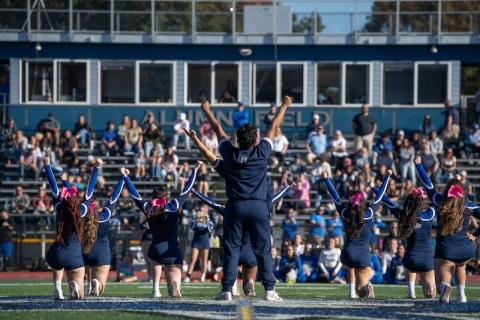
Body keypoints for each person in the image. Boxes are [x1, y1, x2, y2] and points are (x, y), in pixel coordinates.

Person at [189, 96, 292, 301]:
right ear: (255, 140)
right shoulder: (261, 152)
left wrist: (206, 109)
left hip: (235, 206)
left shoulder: (229, 153)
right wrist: (285, 105)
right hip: (257, 206)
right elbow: (273, 125)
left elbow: (218, 129)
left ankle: (227, 289)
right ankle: (270, 290)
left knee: (231, 248)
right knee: (263, 248)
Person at [192, 182, 291, 297]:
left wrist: (195, 192)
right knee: (250, 270)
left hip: (234, 253)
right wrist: (287, 188)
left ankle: (232, 284)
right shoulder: (260, 207)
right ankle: (250, 282)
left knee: (230, 262)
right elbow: (275, 198)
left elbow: (211, 202)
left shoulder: (231, 209)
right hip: (251, 253)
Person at [122, 162, 199, 298]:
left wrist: (126, 178)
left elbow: (135, 196)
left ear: (153, 197)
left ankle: (155, 289)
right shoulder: (173, 205)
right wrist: (195, 170)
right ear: (166, 197)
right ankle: (173, 285)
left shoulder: (148, 208)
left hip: (156, 246)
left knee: (156, 261)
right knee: (173, 269)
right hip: (172, 248)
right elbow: (186, 190)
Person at [415, 156, 480, 303]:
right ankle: (462, 295)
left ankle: (445, 288)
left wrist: (419, 165)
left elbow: (427, 184)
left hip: (446, 250)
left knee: (440, 281)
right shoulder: (468, 205)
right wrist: (475, 235)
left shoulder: (439, 201)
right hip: (467, 249)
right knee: (461, 264)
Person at [321, 169, 391, 299]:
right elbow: (380, 196)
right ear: (363, 203)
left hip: (347, 255)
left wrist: (326, 179)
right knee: (362, 290)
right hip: (364, 255)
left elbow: (335, 197)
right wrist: (387, 177)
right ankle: (365, 287)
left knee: (351, 268)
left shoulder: (345, 214)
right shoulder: (369, 214)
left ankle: (352, 291)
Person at [43, 156, 101, 300]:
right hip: (73, 255)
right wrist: (96, 168)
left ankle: (57, 288)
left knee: (57, 264)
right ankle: (74, 286)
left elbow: (53, 185)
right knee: (80, 296)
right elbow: (90, 189)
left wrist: (47, 165)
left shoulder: (59, 208)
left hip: (56, 253)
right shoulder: (81, 210)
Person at [374, 186, 436, 298]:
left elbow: (386, 200)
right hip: (426, 258)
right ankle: (434, 290)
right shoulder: (430, 213)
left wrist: (374, 188)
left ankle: (411, 291)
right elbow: (438, 201)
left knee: (410, 267)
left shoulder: (402, 215)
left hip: (410, 258)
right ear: (421, 202)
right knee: (431, 291)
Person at [81, 169, 125, 297]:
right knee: (100, 288)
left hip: (84, 252)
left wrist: (95, 169)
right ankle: (97, 284)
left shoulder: (82, 215)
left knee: (79, 287)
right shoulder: (104, 215)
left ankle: (82, 286)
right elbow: (114, 197)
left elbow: (87, 192)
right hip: (101, 253)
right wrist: (123, 178)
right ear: (98, 205)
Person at [184, 206, 214, 283]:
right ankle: (188, 275)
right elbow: (192, 227)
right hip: (196, 241)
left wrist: (207, 220)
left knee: (204, 260)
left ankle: (203, 275)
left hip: (205, 242)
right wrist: (197, 219)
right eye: (202, 209)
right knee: (193, 259)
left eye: (204, 209)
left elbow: (210, 229)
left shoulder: (209, 221)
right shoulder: (196, 219)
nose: (203, 210)